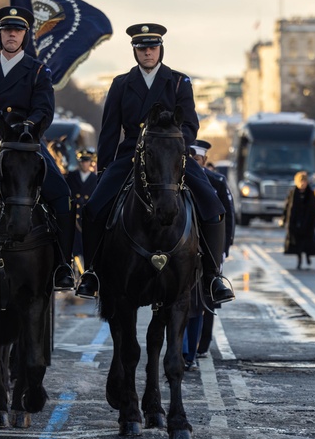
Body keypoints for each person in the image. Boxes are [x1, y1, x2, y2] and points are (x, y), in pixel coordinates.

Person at [76, 23, 232, 303]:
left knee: (213, 206)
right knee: (93, 208)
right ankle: (92, 272)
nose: (147, 53)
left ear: (160, 49)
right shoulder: (121, 83)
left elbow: (190, 125)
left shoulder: (179, 81)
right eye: (142, 48)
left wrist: (173, 144)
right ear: (134, 52)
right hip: (132, 155)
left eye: (152, 47)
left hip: (172, 155)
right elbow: (110, 130)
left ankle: (213, 276)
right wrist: (103, 170)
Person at [0, 6, 75, 290]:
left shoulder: (37, 71)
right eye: (7, 30)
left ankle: (63, 264)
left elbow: (44, 110)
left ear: (25, 35)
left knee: (61, 193)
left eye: (17, 30)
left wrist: (26, 128)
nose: (11, 35)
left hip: (25, 144)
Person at [182, 139, 236, 369]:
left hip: (204, 249)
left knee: (200, 303)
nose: (192, 163)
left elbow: (226, 219)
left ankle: (192, 350)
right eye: (189, 159)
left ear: (204, 161)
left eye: (196, 160)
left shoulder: (215, 181)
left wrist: (221, 251)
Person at [66, 148, 99, 267]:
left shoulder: (95, 179)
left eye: (86, 161)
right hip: (74, 217)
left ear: (90, 162)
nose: (84, 164)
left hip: (87, 217)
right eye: (82, 161)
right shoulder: (72, 176)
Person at [283, 171, 315, 269]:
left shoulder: (310, 194)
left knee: (307, 242)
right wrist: (284, 219)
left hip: (307, 222)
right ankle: (299, 260)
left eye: (304, 182)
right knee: (297, 243)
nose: (302, 184)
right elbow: (287, 207)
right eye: (300, 182)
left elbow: (314, 208)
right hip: (295, 221)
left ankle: (308, 256)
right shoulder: (293, 193)